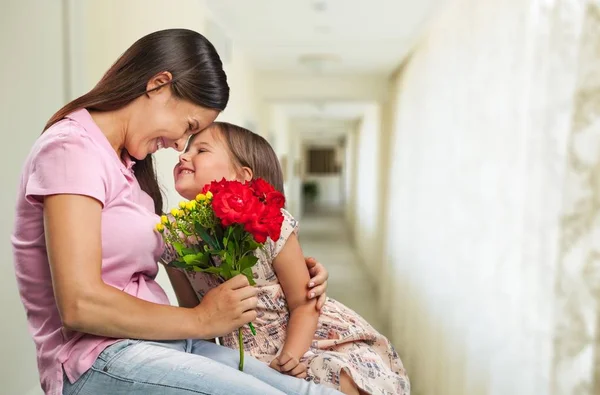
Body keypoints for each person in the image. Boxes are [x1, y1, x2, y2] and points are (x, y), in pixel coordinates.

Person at [11, 29, 339, 395]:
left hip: (160, 343)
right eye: (189, 127)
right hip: (98, 358)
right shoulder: (71, 149)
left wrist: (295, 274)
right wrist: (200, 319)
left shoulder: (126, 166)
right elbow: (79, 303)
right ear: (158, 86)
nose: (179, 145)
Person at [163, 122, 411, 395]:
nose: (183, 155)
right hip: (246, 357)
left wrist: (291, 357)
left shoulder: (269, 225)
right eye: (187, 149)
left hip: (307, 339)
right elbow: (194, 314)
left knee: (338, 379)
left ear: (242, 176)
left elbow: (304, 303)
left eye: (201, 150)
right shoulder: (174, 236)